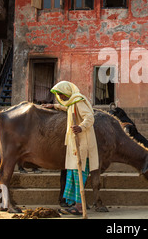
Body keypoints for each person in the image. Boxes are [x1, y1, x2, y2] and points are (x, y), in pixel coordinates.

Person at [42, 81, 99, 215]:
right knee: (73, 173)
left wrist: (81, 127)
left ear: (67, 93)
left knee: (79, 173)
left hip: (82, 143)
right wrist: (54, 106)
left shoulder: (79, 101)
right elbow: (67, 108)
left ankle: (79, 207)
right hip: (75, 143)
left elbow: (89, 117)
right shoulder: (72, 102)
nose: (60, 98)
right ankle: (76, 205)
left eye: (61, 95)